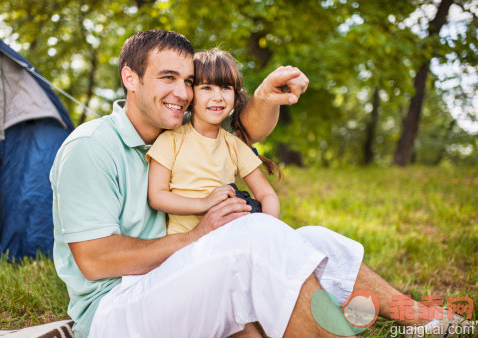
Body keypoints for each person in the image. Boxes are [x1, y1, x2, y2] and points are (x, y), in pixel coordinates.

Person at [50, 30, 471, 338]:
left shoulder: (170, 131)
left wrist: (267, 97)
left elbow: (240, 132)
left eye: (187, 81)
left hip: (172, 277)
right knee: (253, 237)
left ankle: (422, 318)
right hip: (115, 312)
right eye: (167, 78)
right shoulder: (91, 148)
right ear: (130, 79)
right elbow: (96, 260)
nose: (181, 92)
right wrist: (199, 234)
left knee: (315, 240)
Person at [147, 48, 283, 236]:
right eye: (206, 88)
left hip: (230, 238)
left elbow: (266, 194)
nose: (218, 96)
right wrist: (203, 203)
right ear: (190, 94)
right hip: (184, 245)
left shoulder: (233, 145)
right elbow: (156, 196)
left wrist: (268, 229)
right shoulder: (170, 140)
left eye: (226, 88)